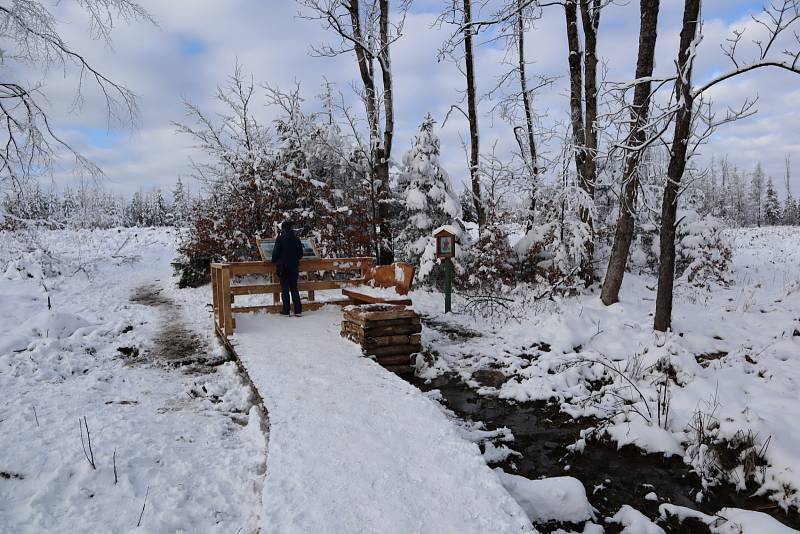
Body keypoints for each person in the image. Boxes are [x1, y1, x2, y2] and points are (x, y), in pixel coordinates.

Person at [271, 220, 305, 316]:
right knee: (294, 288)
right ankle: (298, 310)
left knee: (285, 288)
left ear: (283, 228)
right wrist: (294, 259)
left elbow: (275, 253)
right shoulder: (296, 238)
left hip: (282, 267)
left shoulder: (280, 239)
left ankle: (286, 310)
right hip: (294, 266)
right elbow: (300, 254)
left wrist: (274, 260)